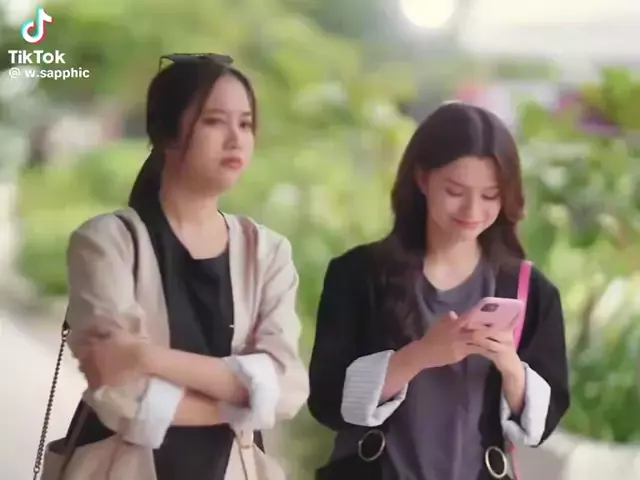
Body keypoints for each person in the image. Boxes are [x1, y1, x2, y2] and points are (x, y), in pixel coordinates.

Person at [54, 54, 309, 480]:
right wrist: (246, 400)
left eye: (246, 124)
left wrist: (147, 356)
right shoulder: (107, 242)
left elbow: (287, 387)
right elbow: (120, 395)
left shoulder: (267, 253)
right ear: (167, 132)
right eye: (214, 121)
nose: (236, 139)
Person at [307, 102, 570, 480]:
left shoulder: (532, 292)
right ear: (421, 178)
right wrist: (420, 355)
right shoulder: (358, 275)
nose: (472, 210)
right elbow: (327, 400)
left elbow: (544, 423)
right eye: (455, 190)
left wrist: (511, 368)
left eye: (490, 195)